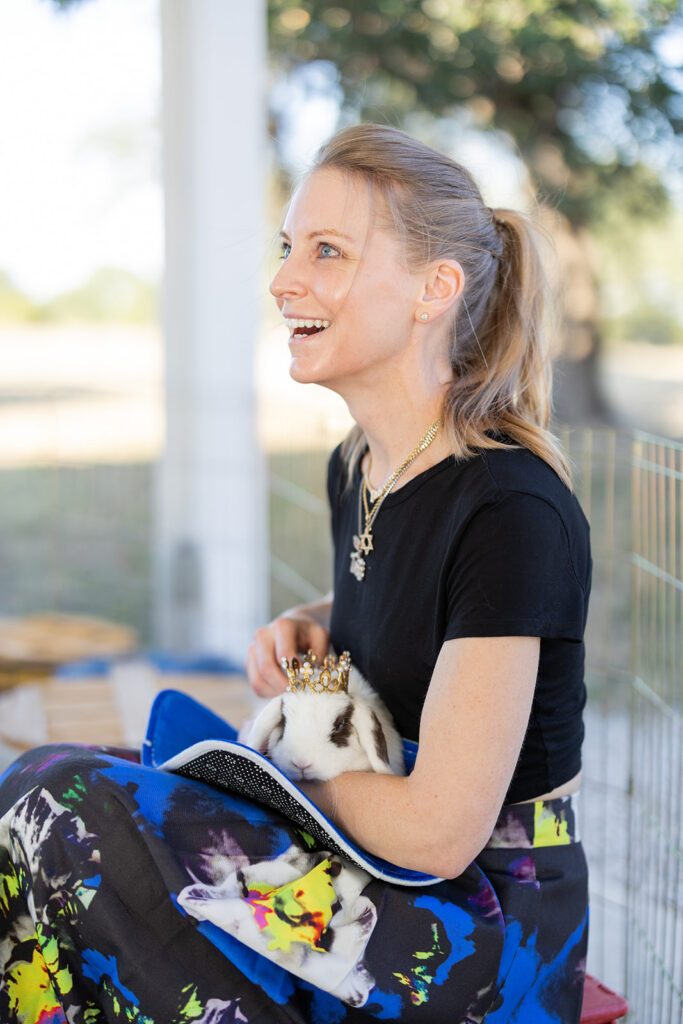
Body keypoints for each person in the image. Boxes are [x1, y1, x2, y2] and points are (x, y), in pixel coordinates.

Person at [0, 125, 590, 1023]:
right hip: (360, 859)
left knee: (63, 805)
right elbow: (415, 603)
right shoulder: (360, 463)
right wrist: (316, 618)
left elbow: (438, 830)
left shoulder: (511, 510)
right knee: (42, 786)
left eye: (327, 251)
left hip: (472, 925)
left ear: (435, 289)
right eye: (288, 249)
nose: (284, 280)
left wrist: (272, 769)